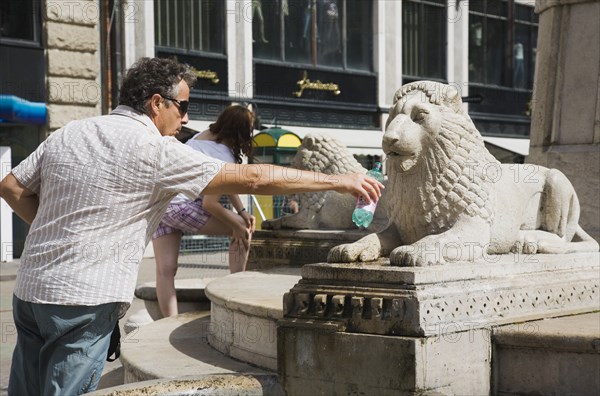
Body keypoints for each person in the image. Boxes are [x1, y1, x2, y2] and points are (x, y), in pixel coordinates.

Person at [0, 56, 383, 395]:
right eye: (182, 106)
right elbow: (252, 179)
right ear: (156, 104)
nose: (185, 118)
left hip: (32, 290)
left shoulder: (72, 131)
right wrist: (338, 180)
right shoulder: (156, 150)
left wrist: (63, 235)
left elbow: (11, 186)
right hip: (83, 299)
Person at [152, 105, 256, 318]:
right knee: (243, 229)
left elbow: (225, 183)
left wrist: (241, 210)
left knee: (165, 270)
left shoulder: (201, 137)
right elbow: (210, 203)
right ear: (241, 132)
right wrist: (238, 223)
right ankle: (235, 293)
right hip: (182, 207)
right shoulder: (225, 156)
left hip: (160, 205)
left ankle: (169, 322)